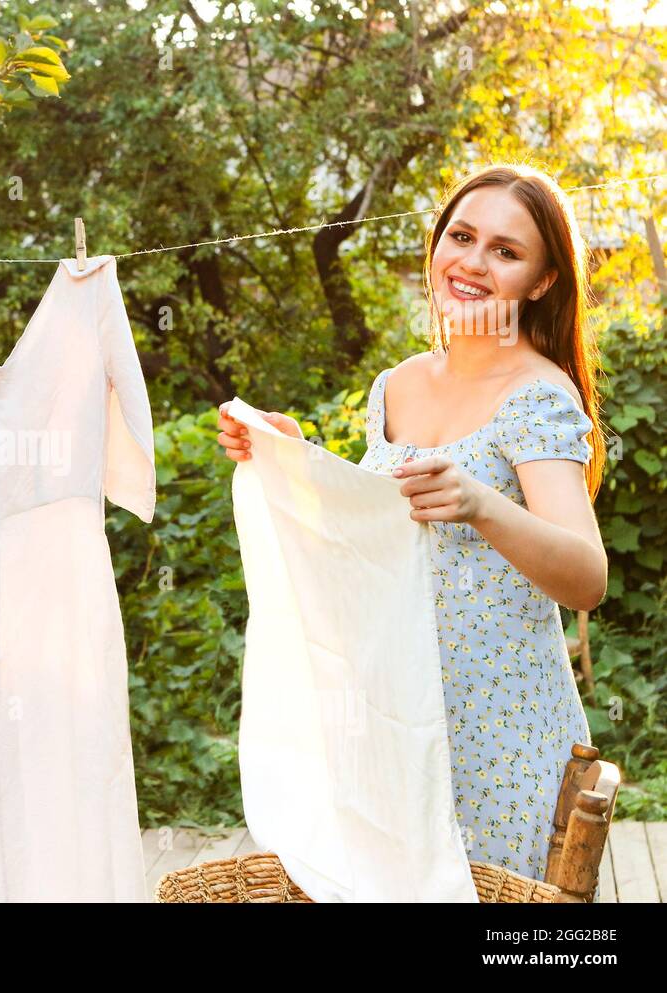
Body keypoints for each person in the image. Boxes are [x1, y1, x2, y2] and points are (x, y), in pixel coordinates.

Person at [217, 163, 607, 884]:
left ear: (543, 282)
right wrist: (290, 454)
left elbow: (586, 576)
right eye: (462, 236)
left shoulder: (536, 396)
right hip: (396, 722)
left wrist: (483, 505)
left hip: (500, 740)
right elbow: (369, 542)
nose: (473, 262)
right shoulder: (395, 385)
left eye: (506, 251)